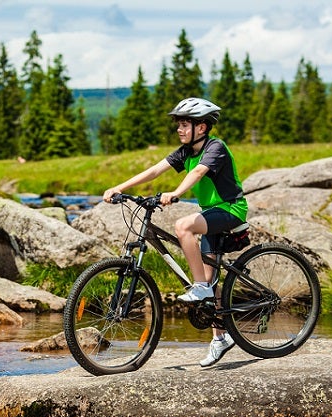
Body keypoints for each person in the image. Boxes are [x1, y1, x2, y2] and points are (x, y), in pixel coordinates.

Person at [102, 97, 248, 367]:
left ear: (201, 127)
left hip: (230, 209)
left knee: (183, 226)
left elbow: (200, 173)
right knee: (211, 276)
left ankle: (200, 288)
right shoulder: (186, 151)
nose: (179, 130)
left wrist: (177, 193)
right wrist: (120, 187)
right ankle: (221, 337)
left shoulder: (215, 148)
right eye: (179, 125)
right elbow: (156, 169)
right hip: (211, 213)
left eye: (185, 124)